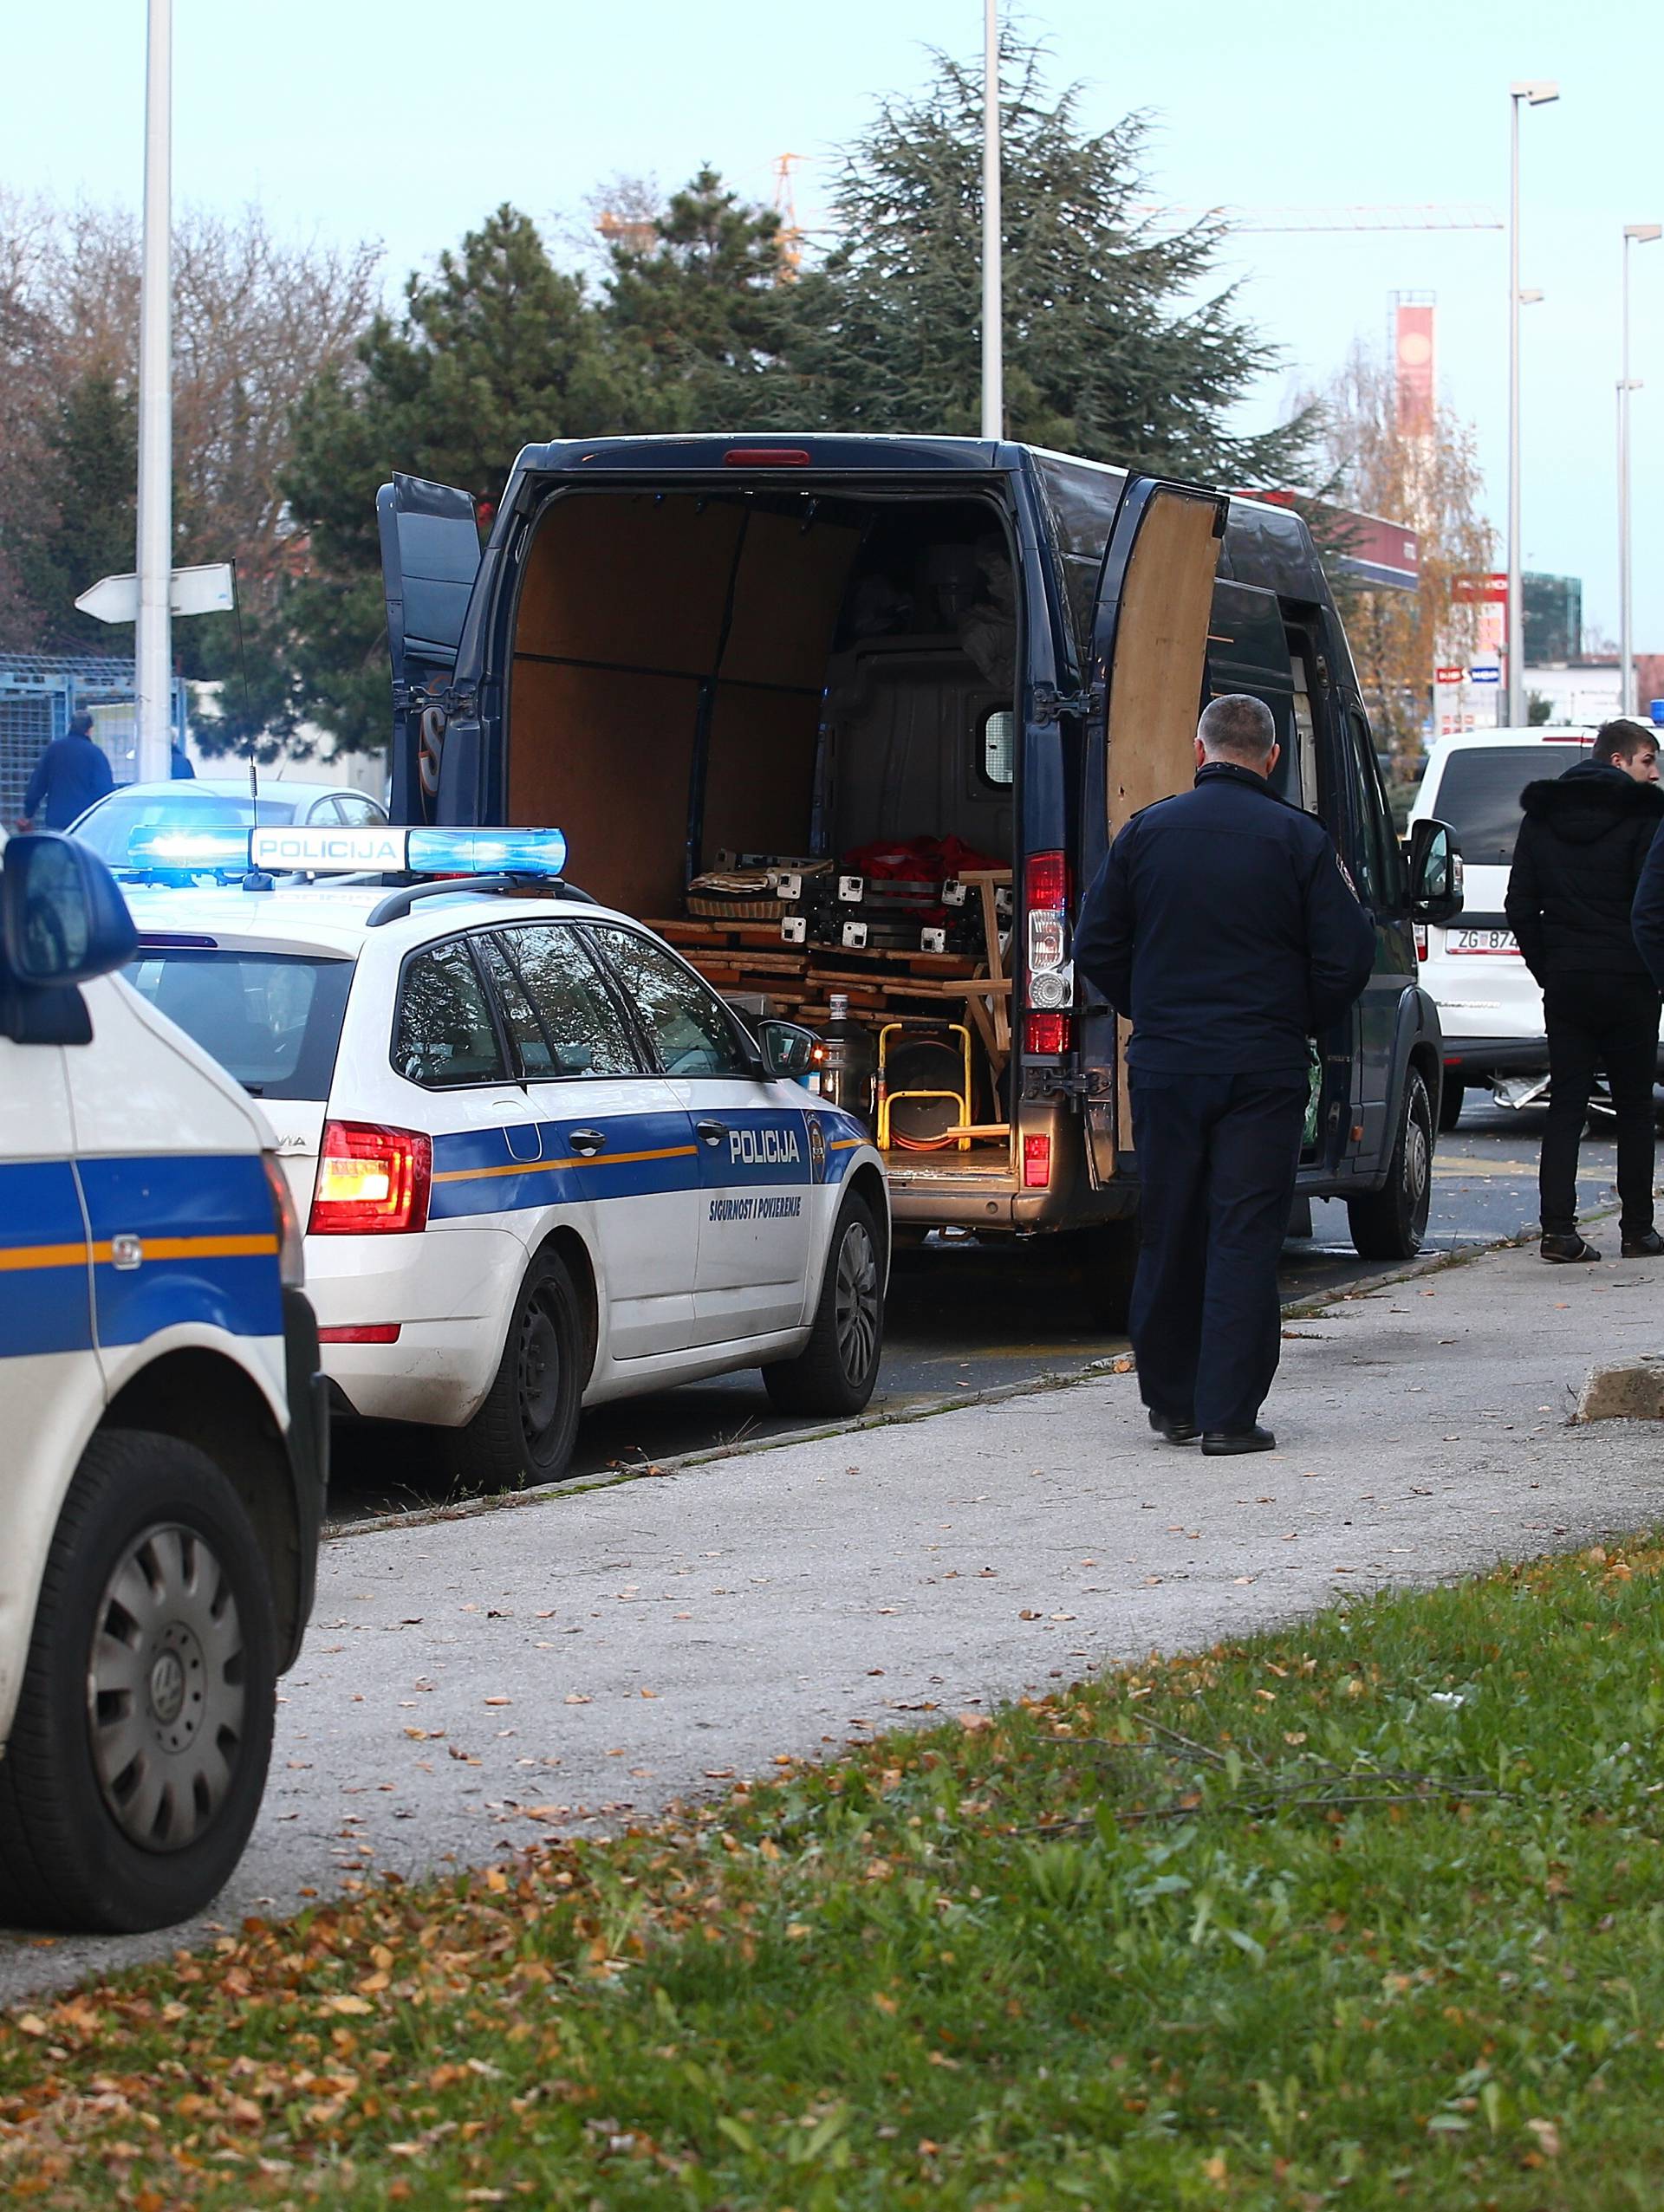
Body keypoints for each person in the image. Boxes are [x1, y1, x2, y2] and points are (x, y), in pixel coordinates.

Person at [1074, 693, 1375, 1456]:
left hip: (1170, 1063)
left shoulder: (1145, 834)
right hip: (1263, 1067)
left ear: (1199, 751)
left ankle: (1170, 1402)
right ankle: (1229, 1416)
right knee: (1245, 1232)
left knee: (1171, 1225)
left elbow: (1097, 943)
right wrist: (1291, 1016)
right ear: (1271, 758)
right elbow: (1350, 953)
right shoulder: (1301, 841)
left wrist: (1155, 1007)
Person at [1504, 716, 1664, 1263]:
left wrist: (1549, 968)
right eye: (1649, 761)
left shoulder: (1541, 815)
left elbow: (1519, 904)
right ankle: (1637, 1229)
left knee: (1567, 1103)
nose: (1656, 775)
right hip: (1631, 979)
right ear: (1619, 759)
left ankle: (1557, 1231)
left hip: (1569, 980)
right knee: (1635, 1108)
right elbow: (1654, 905)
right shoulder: (1645, 816)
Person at [18, 708, 114, 831]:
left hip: (56, 820)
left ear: (70, 726)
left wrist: (28, 813)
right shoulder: (95, 754)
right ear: (90, 730)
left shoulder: (54, 750)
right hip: (85, 821)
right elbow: (104, 790)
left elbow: (38, 784)